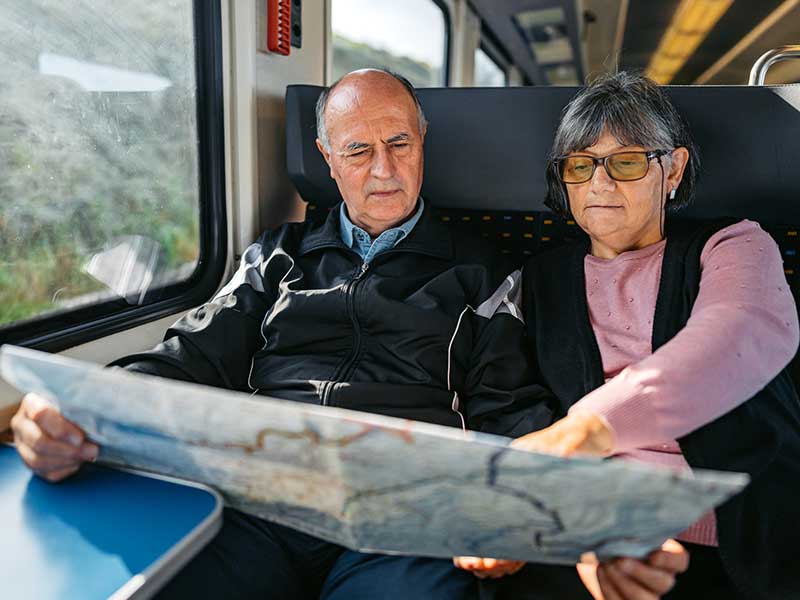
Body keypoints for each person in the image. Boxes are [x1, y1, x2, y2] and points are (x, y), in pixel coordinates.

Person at [11, 68, 686, 600]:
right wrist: (77, 409)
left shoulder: (483, 270)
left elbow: (509, 406)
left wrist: (518, 508)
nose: (383, 169)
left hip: (405, 520)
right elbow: (185, 357)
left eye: (399, 144)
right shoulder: (277, 255)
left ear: (422, 144)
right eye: (358, 150)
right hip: (261, 504)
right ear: (327, 159)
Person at [458, 71, 800, 600]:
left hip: (738, 539)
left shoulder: (734, 246)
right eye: (580, 165)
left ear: (673, 170)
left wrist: (585, 432)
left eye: (627, 160)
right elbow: (514, 400)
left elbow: (734, 335)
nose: (599, 184)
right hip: (595, 523)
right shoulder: (539, 278)